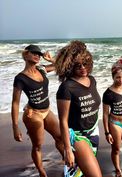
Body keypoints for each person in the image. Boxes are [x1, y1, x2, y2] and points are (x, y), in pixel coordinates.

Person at [11, 44, 64, 177]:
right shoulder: (20, 78)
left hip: (47, 110)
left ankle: (67, 161)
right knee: (38, 146)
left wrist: (51, 60)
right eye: (34, 53)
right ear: (26, 54)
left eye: (39, 54)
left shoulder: (41, 70)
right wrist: (15, 127)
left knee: (60, 137)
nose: (37, 55)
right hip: (34, 114)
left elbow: (62, 67)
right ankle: (42, 172)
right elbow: (15, 103)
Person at [55, 40, 102, 177]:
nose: (83, 68)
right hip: (78, 136)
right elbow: (63, 121)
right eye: (78, 66)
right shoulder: (66, 88)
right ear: (70, 67)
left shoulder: (92, 80)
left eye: (85, 64)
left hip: (94, 131)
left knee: (80, 174)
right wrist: (68, 150)